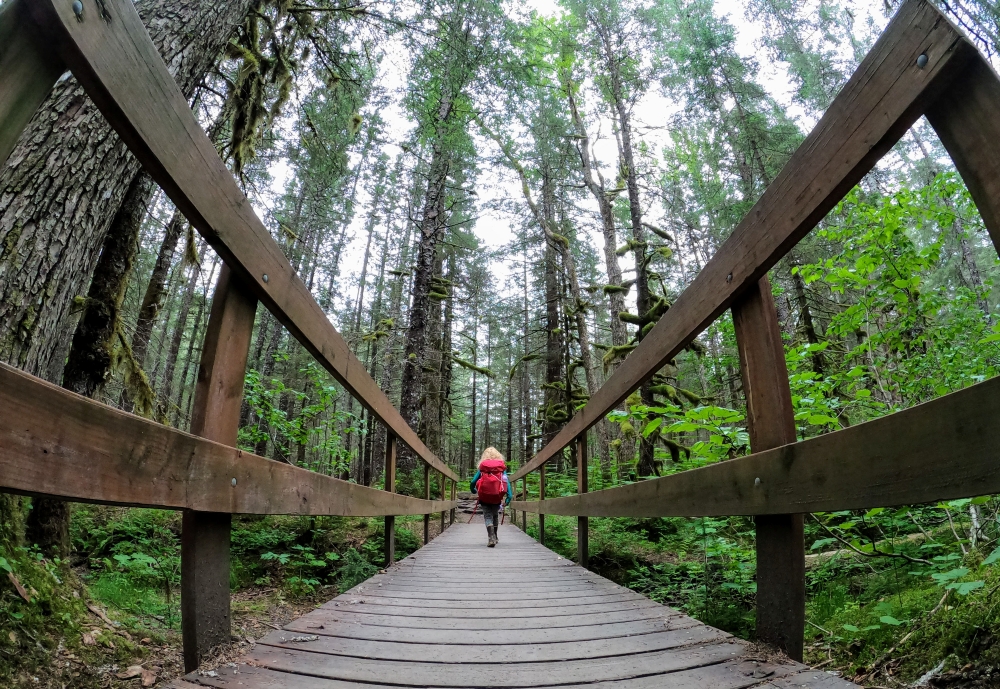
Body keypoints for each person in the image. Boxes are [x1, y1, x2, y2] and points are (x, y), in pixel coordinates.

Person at [470, 447, 512, 547]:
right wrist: (509, 496)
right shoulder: (501, 468)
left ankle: (491, 537)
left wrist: (473, 490)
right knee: (495, 515)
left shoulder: (483, 467)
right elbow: (506, 482)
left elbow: (473, 482)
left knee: (487, 516)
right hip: (497, 497)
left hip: (484, 497)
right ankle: (495, 536)